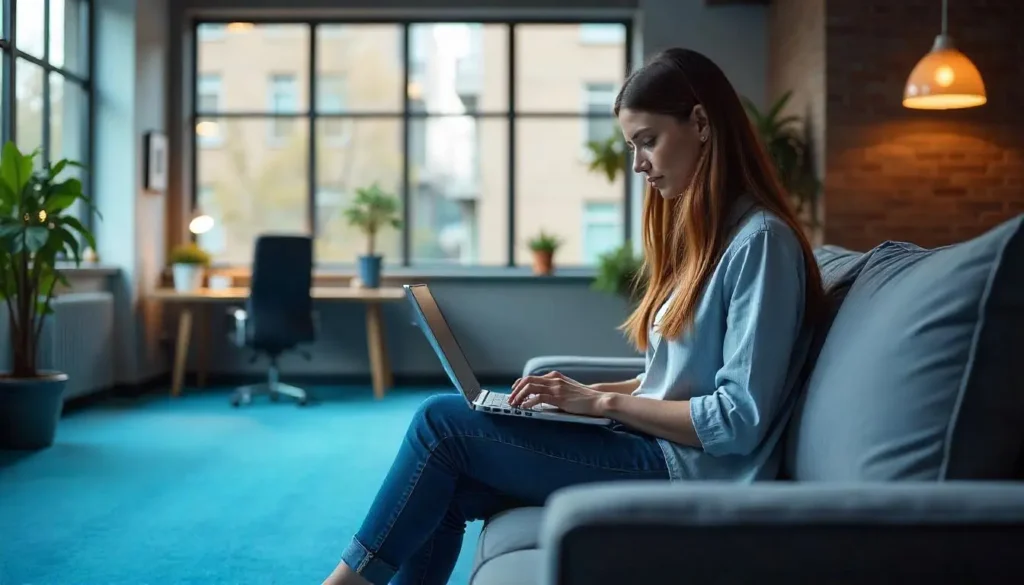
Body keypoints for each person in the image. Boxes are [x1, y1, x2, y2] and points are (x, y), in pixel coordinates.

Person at [321, 47, 826, 585]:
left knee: (440, 424)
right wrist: (569, 399)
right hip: (657, 451)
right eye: (632, 146)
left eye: (648, 141)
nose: (638, 164)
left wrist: (600, 402)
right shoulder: (707, 240)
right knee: (445, 481)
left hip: (691, 472)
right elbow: (670, 383)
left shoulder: (761, 244)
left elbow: (737, 420)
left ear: (701, 123)